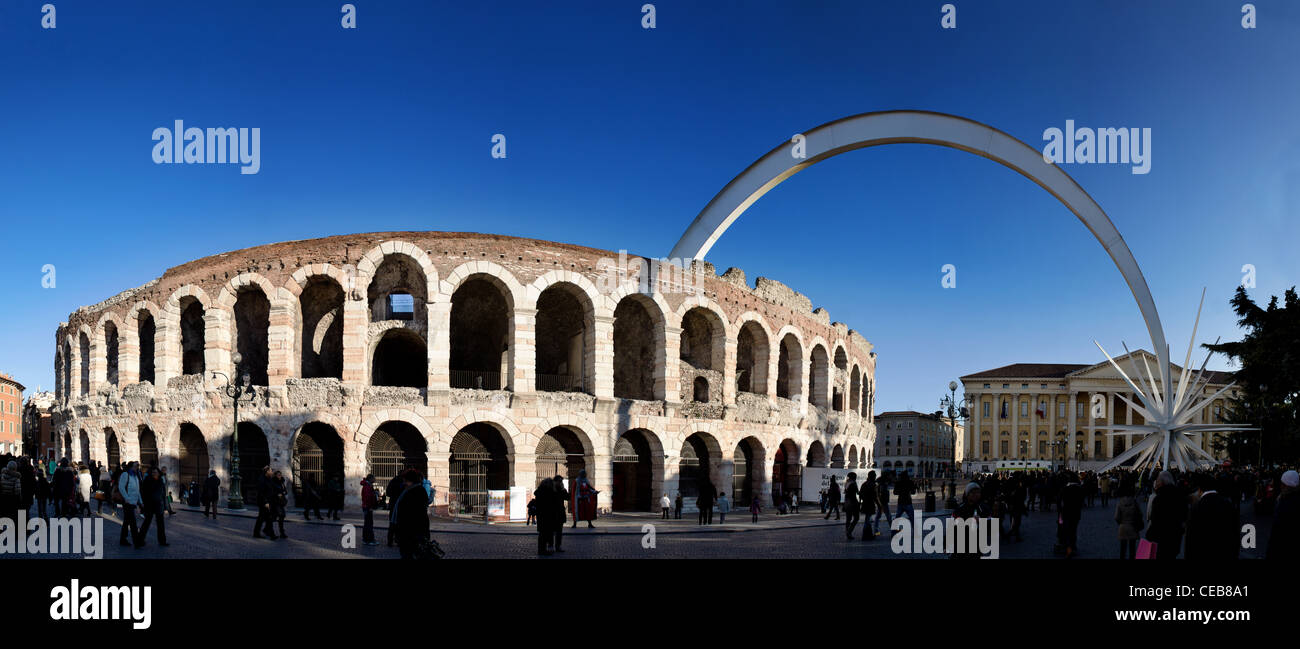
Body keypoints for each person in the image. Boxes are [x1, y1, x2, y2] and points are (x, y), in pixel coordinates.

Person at [1185, 473, 1238, 560]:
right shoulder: (1228, 504)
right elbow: (1234, 534)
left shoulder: (1197, 507)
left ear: (1200, 490)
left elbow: (1191, 540)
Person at [1146, 470, 1187, 559]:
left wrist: (1150, 535)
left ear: (1162, 482)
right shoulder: (1180, 495)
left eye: (1158, 480)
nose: (1156, 482)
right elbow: (1184, 515)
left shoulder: (1159, 498)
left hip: (1161, 538)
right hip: (1175, 537)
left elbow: (1154, 519)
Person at [391, 469, 430, 559]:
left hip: (412, 532)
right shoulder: (409, 490)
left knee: (410, 555)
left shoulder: (417, 491)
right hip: (409, 532)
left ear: (410, 480)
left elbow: (414, 514)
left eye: (405, 480)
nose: (403, 482)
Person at [951, 482, 990, 559]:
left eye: (978, 492)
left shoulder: (984, 508)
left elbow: (991, 527)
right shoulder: (960, 509)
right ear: (967, 494)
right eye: (972, 492)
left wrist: (981, 521)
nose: (976, 495)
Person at [1266, 470, 1299, 559]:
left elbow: (1278, 530)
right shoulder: (1284, 498)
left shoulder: (1287, 504)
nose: (1281, 486)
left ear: (1286, 486)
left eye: (1283, 484)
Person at [137, 467, 169, 547]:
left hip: (159, 505)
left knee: (161, 524)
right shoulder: (147, 481)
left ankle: (162, 541)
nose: (154, 473)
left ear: (159, 473)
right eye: (153, 472)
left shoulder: (161, 481)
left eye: (156, 472)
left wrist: (165, 507)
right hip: (150, 505)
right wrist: (143, 504)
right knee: (147, 522)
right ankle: (140, 540)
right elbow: (143, 493)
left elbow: (163, 494)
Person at [1114, 481, 1143, 559]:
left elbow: (1116, 517)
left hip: (1123, 527)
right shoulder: (1134, 502)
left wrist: (1121, 523)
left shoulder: (1120, 503)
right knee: (1132, 549)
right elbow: (1140, 514)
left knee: (1123, 549)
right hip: (1133, 526)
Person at [1058, 473, 1084, 558]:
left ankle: (1068, 549)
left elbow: (1060, 501)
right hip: (1076, 513)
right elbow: (1081, 502)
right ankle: (1073, 546)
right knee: (1073, 530)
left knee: (1067, 531)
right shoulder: (1080, 489)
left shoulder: (1065, 489)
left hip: (1066, 513)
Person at [116, 462, 143, 546]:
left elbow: (137, 490)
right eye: (135, 466)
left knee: (127, 521)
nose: (137, 467)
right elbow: (121, 487)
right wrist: (126, 498)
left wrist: (140, 502)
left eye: (138, 466)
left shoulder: (136, 476)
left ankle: (122, 539)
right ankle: (137, 541)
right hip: (127, 502)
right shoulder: (125, 474)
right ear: (130, 467)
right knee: (133, 522)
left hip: (133, 501)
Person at [253, 466, 278, 540]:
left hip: (268, 501)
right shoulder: (261, 480)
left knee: (263, 518)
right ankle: (271, 534)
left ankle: (258, 532)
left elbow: (271, 489)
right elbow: (261, 492)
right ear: (267, 471)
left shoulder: (269, 479)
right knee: (267, 518)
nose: (272, 472)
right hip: (264, 502)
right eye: (271, 471)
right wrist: (266, 502)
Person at [534, 477, 556, 556]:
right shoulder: (549, 492)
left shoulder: (539, 492)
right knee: (547, 533)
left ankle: (541, 549)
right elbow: (552, 504)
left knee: (542, 534)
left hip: (541, 515)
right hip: (548, 515)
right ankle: (543, 550)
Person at [360, 473, 379, 546]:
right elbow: (368, 497)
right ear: (370, 478)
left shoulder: (367, 485)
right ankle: (370, 540)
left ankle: (365, 539)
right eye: (374, 478)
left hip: (366, 506)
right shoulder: (367, 486)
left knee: (367, 523)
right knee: (369, 524)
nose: (375, 479)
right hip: (368, 507)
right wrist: (370, 506)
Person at [551, 475, 568, 550]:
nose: (560, 483)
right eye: (559, 481)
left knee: (559, 531)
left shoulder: (562, 489)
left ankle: (558, 546)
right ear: (555, 481)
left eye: (561, 481)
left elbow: (567, 497)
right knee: (551, 530)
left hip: (560, 512)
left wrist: (564, 489)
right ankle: (551, 545)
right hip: (552, 512)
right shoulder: (551, 489)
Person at [860, 471, 878, 540]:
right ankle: (865, 535)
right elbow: (875, 497)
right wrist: (879, 505)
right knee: (867, 520)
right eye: (874, 475)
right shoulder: (873, 485)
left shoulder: (864, 484)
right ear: (872, 476)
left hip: (865, 503)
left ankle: (869, 535)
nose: (875, 477)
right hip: (870, 504)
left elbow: (860, 494)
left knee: (868, 519)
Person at [272, 470, 290, 539]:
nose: (280, 476)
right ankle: (279, 532)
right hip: (276, 502)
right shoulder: (273, 482)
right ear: (275, 475)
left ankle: (282, 533)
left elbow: (284, 490)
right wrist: (277, 494)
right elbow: (272, 492)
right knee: (280, 516)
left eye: (280, 475)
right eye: (278, 475)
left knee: (280, 516)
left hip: (281, 502)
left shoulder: (282, 482)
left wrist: (284, 493)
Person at [843, 472, 860, 540]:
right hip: (853, 503)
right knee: (856, 518)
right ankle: (849, 532)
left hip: (847, 502)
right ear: (853, 477)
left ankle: (848, 532)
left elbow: (846, 493)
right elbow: (856, 493)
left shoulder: (847, 483)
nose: (856, 478)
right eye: (855, 476)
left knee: (848, 519)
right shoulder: (853, 484)